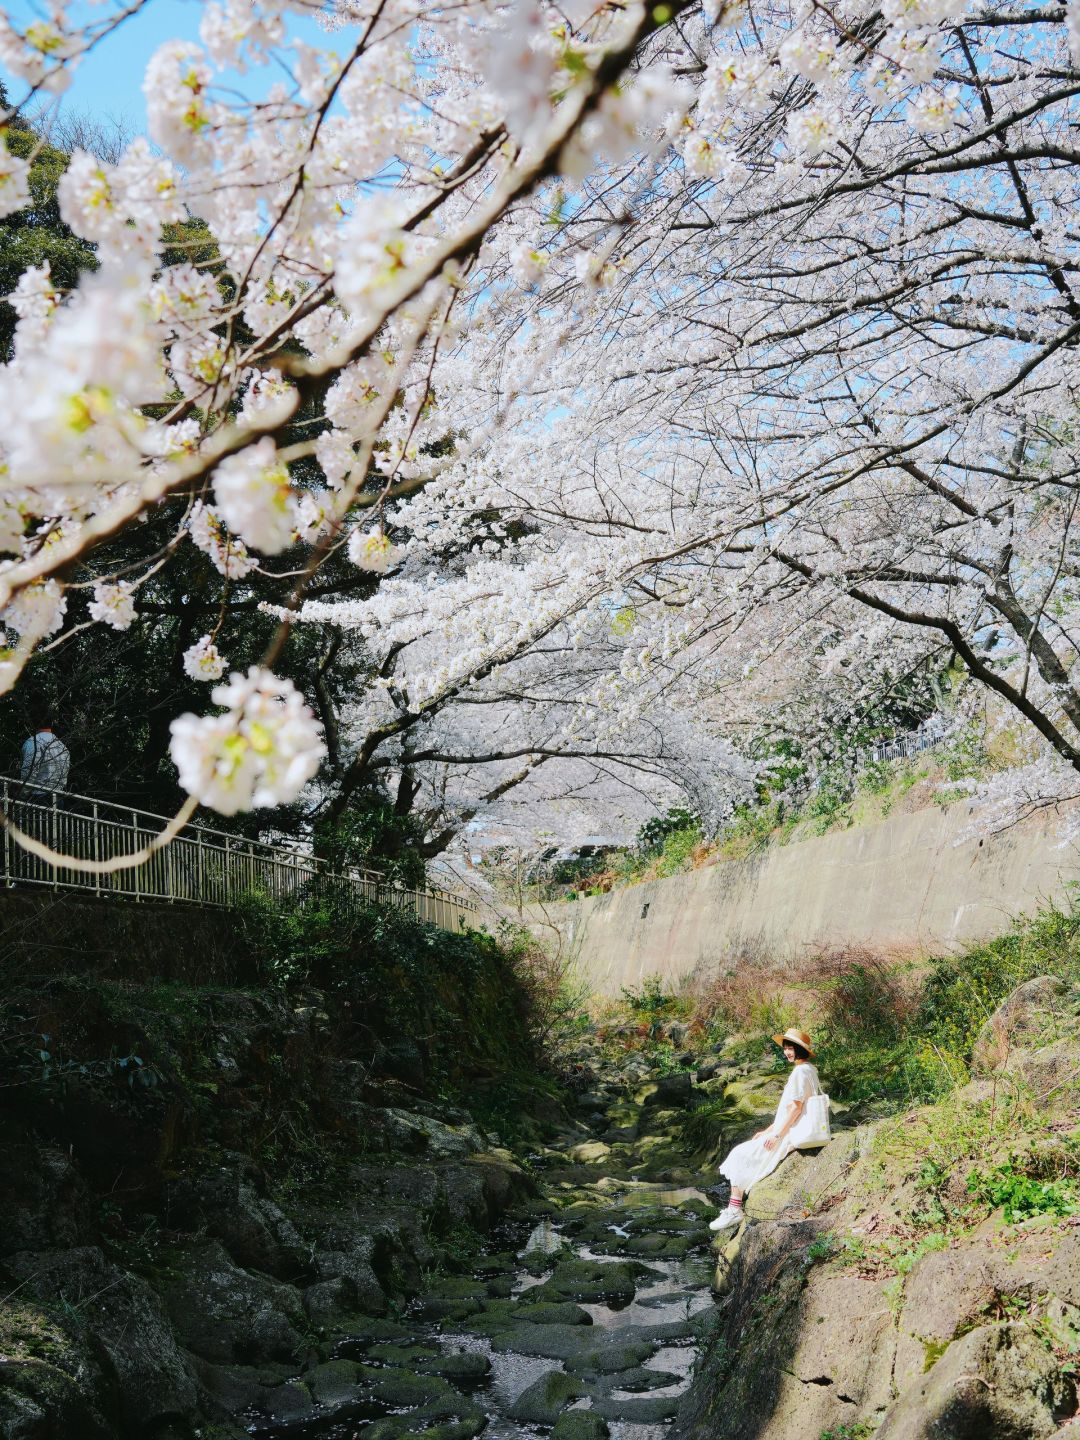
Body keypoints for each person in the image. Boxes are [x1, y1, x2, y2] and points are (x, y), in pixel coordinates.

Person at [709, 1027, 825, 1233]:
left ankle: (734, 1209)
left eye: (791, 1048)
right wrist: (769, 1129)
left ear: (801, 1050)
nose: (787, 1052)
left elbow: (797, 1108)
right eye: (785, 1048)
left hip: (792, 1130)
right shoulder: (809, 1069)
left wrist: (777, 1135)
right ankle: (734, 1207)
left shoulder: (800, 1072)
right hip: (788, 1126)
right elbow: (789, 1108)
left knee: (739, 1154)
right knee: (746, 1151)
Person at [19, 718, 71, 800]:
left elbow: (29, 771)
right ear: (51, 724)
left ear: (32, 724)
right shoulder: (63, 747)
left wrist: (22, 794)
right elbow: (63, 777)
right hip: (58, 797)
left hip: (38, 797)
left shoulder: (33, 742)